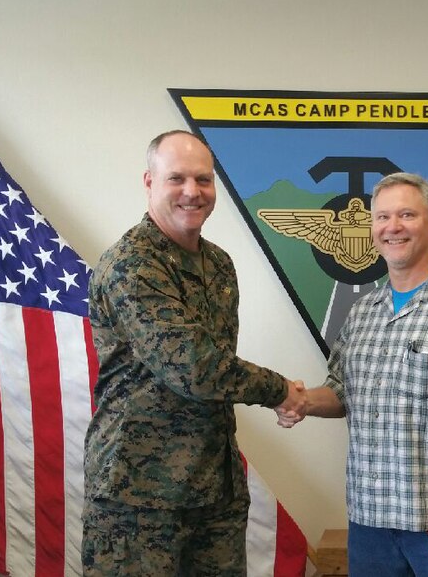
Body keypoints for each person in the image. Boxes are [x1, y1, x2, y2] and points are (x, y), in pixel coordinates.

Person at [82, 130, 307, 575]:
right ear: (149, 181)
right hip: (138, 494)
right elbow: (195, 367)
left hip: (213, 486)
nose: (192, 191)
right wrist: (280, 391)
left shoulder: (218, 264)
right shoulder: (132, 264)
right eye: (177, 178)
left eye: (203, 180)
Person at [279, 172, 428, 576]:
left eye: (407, 215)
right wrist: (298, 400)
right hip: (369, 523)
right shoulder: (362, 314)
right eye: (383, 217)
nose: (393, 227)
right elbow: (341, 392)